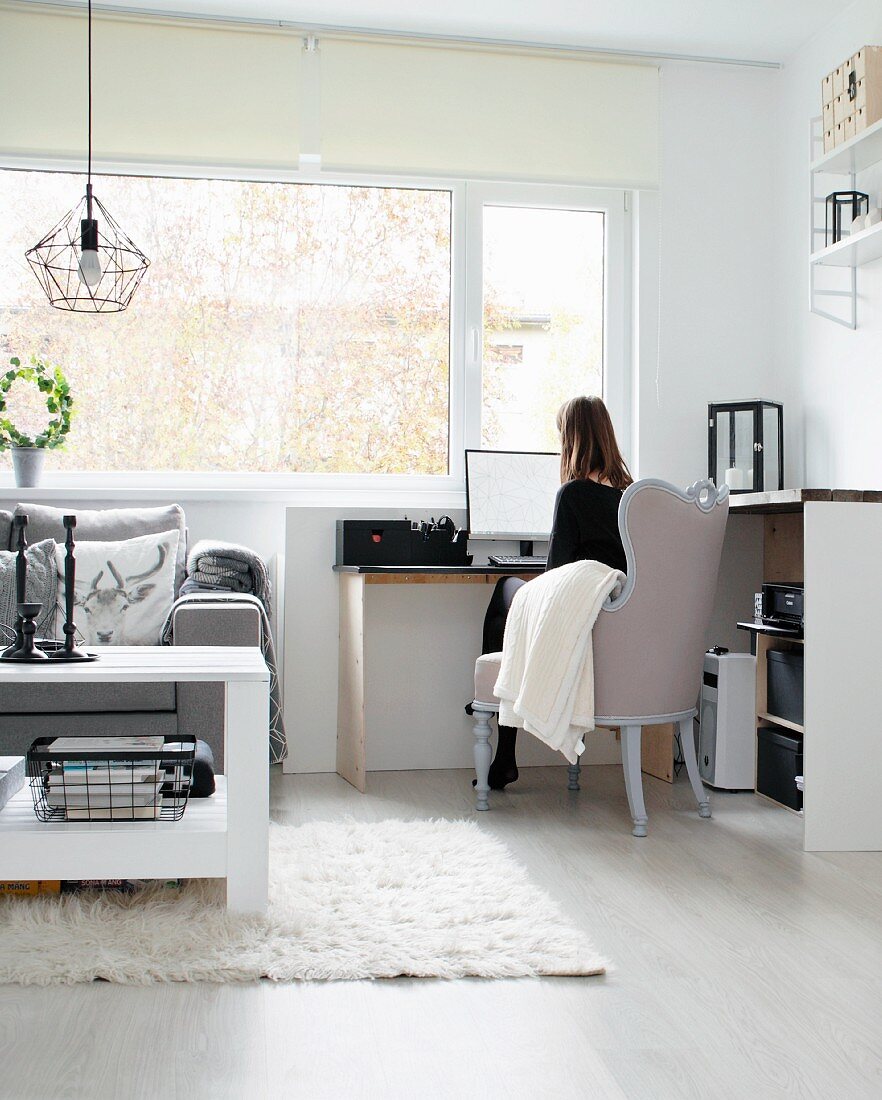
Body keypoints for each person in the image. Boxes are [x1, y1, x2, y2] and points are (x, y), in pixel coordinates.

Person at [475, 395, 633, 790]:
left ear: (573, 440)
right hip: (617, 616)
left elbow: (554, 575)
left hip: (579, 606)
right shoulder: (632, 495)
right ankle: (503, 729)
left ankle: (504, 747)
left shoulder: (574, 494)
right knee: (511, 595)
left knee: (504, 592)